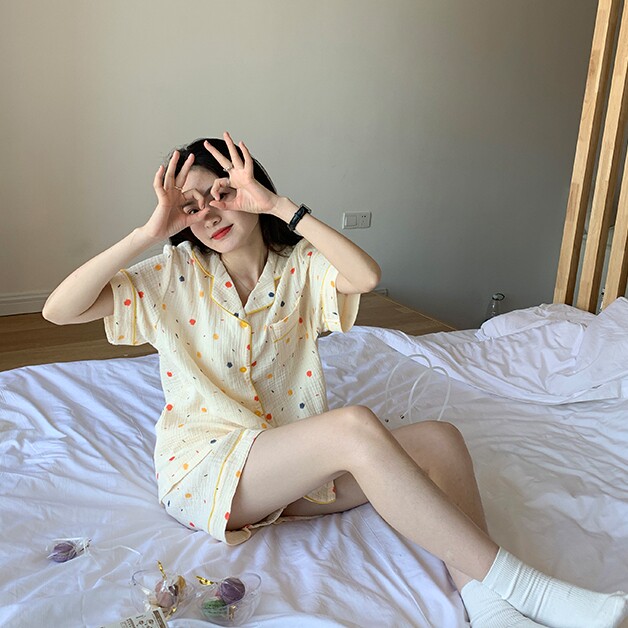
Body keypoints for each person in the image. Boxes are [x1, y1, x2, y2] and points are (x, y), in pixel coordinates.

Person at [43, 131, 628, 628]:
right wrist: (148, 233)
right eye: (192, 206)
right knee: (353, 427)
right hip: (210, 474)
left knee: (441, 441)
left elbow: (365, 277)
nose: (211, 213)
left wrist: (281, 207)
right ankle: (528, 588)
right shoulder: (172, 273)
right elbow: (59, 311)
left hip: (289, 477)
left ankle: (489, 604)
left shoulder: (297, 268)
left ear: (251, 190)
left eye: (223, 192)